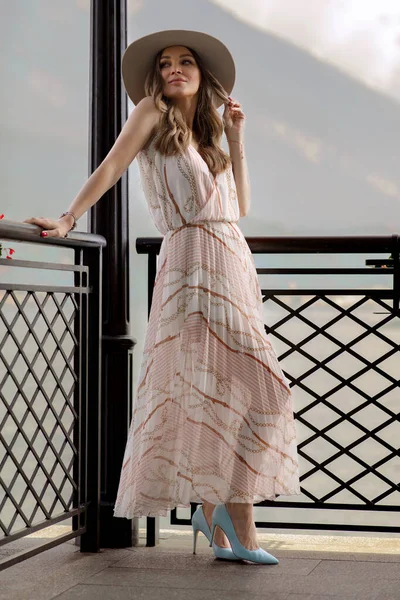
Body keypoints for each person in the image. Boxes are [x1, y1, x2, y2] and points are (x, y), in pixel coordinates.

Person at [25, 29, 301, 564]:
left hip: (230, 262)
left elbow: (239, 206)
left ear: (204, 77)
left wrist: (235, 136)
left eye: (186, 62)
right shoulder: (151, 113)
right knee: (256, 390)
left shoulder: (207, 136)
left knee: (234, 390)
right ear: (157, 77)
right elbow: (111, 166)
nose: (175, 69)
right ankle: (235, 523)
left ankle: (215, 515)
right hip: (191, 263)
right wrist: (68, 217)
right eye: (167, 63)